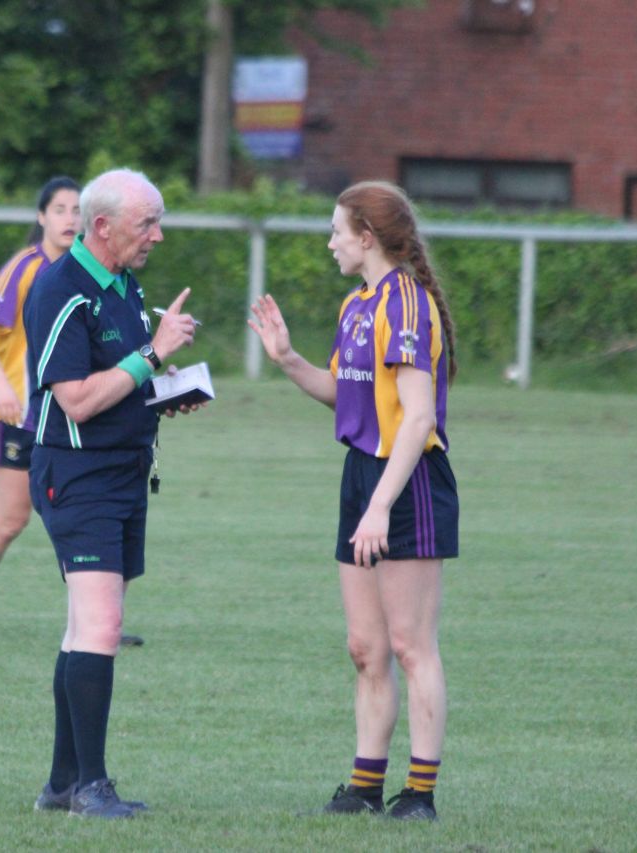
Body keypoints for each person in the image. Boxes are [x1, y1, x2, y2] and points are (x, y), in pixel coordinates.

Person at [247, 180, 459, 821]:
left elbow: (417, 419)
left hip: (410, 482)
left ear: (367, 237)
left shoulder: (409, 304)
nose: (330, 240)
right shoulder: (357, 305)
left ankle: (418, 793)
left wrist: (379, 509)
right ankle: (366, 785)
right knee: (364, 647)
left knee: (409, 644)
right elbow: (346, 394)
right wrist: (286, 360)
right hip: (363, 476)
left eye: (338, 229)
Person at [23, 168, 199, 818]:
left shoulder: (125, 282)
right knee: (101, 625)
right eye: (145, 223)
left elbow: (122, 378)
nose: (157, 234)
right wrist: (150, 357)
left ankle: (62, 783)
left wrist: (165, 387)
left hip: (123, 470)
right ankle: (92, 786)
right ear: (101, 227)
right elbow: (74, 399)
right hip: (77, 472)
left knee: (83, 628)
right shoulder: (61, 289)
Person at [0, 176, 80, 640]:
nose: (70, 218)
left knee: (77, 515)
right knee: (11, 520)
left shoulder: (82, 270)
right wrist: (1, 384)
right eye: (60, 209)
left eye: (77, 210)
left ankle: (94, 618)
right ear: (41, 217)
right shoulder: (26, 267)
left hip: (66, 416)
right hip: (17, 415)